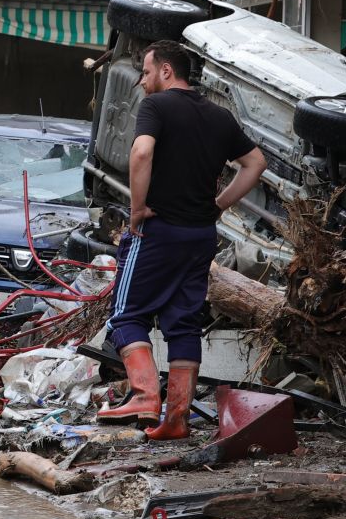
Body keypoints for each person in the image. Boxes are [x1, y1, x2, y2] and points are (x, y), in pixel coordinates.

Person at [99, 40, 268, 439]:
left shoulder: (156, 107)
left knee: (126, 315)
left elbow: (141, 153)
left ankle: (144, 396)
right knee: (183, 324)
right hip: (200, 236)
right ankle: (176, 420)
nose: (142, 82)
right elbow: (255, 163)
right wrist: (219, 206)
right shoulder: (220, 116)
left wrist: (137, 209)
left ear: (166, 71)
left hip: (158, 231)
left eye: (146, 72)